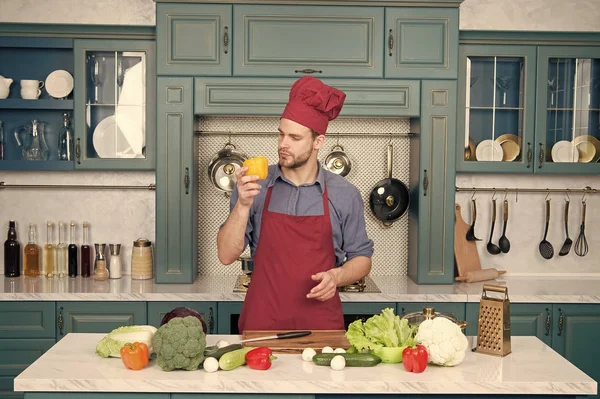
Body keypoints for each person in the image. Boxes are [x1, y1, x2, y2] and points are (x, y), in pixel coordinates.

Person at [217, 76, 374, 333]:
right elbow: (226, 255)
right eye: (281, 134)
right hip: (262, 325)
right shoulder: (254, 185)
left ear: (318, 142)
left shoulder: (345, 194)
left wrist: (336, 276)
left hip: (321, 328)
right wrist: (243, 205)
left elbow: (362, 258)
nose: (283, 145)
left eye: (294, 137)